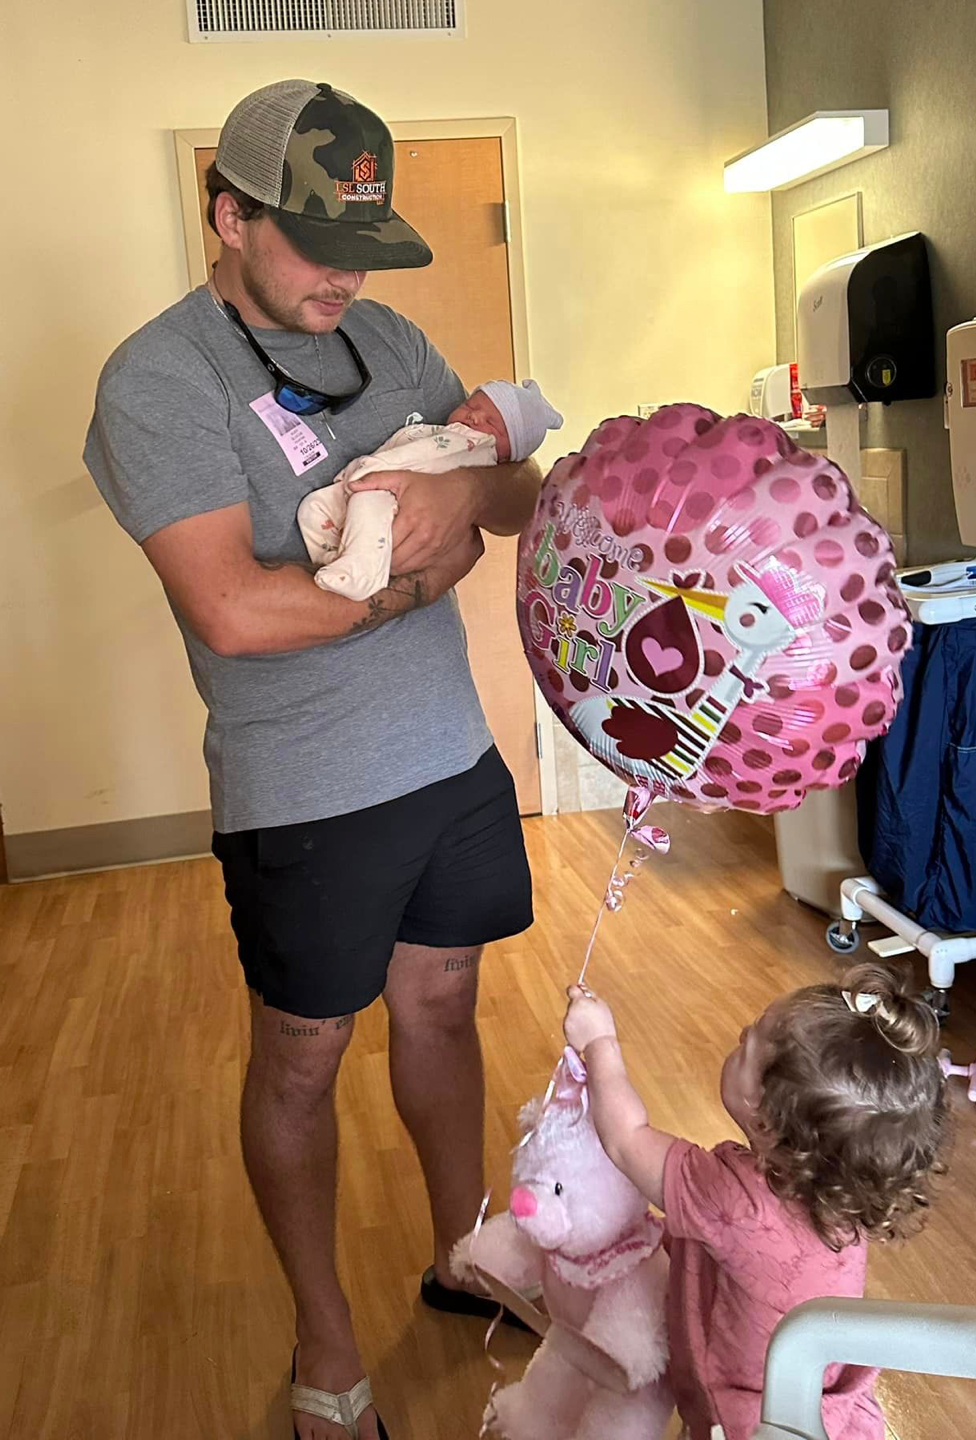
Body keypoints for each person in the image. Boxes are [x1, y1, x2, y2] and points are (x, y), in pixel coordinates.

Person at [84, 77, 542, 1440]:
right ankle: (326, 1342)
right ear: (228, 216)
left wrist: (458, 491)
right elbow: (233, 609)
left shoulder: (388, 338)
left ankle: (466, 1255)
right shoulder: (160, 380)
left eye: (364, 246)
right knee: (301, 1060)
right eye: (316, 245)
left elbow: (511, 493)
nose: (347, 277)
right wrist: (414, 576)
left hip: (449, 757)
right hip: (305, 797)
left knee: (444, 1008)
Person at [563, 963, 950, 1440]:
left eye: (750, 1041)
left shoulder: (732, 1198)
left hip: (746, 1423)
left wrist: (599, 1043)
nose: (742, 1032)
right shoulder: (845, 1190)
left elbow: (626, 1139)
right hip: (821, 1412)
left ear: (766, 1119)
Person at [299, 378, 563, 598]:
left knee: (366, 505)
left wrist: (371, 469)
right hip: (369, 484)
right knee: (313, 507)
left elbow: (415, 457)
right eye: (471, 405)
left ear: (509, 453)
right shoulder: (443, 432)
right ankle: (337, 559)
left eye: (492, 423)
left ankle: (362, 573)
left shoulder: (476, 446)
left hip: (391, 497)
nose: (474, 416)